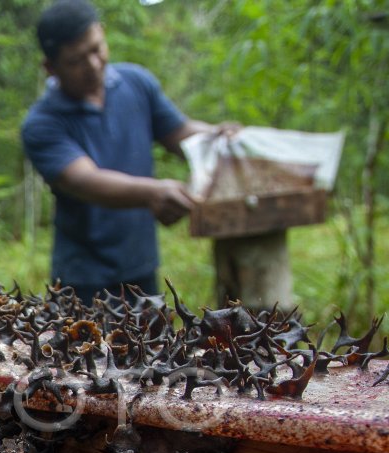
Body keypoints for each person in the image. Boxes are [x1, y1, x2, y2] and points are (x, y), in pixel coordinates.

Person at [21, 0, 233, 301]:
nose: (93, 65)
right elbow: (84, 180)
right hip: (82, 278)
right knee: (85, 348)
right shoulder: (42, 123)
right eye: (76, 60)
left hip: (140, 265)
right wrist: (154, 192)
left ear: (103, 34)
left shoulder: (136, 83)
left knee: (151, 345)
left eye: (96, 49)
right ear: (50, 67)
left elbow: (179, 133)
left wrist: (216, 136)